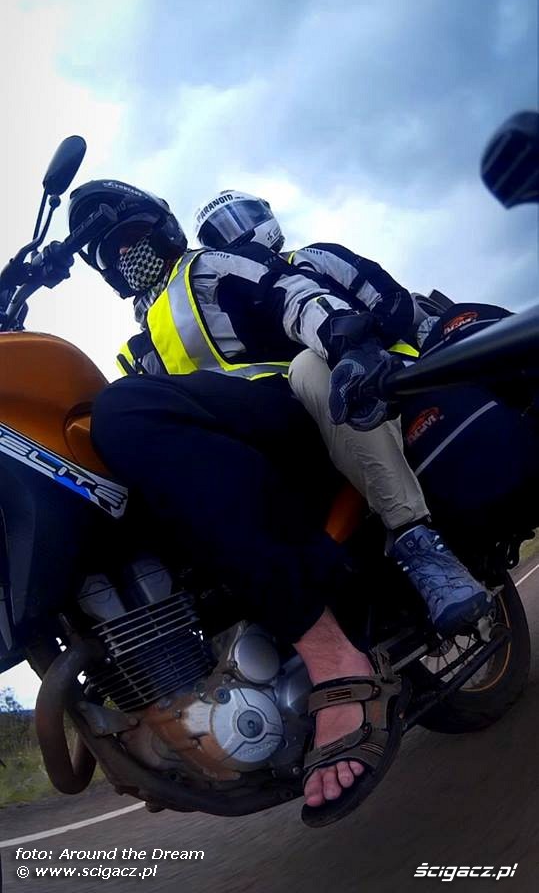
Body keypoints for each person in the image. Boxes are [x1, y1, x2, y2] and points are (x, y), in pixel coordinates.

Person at [70, 180, 486, 828]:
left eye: (131, 238)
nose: (127, 257)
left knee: (119, 411)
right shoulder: (133, 349)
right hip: (228, 462)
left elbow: (288, 293)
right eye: (110, 253)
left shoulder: (206, 268)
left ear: (163, 229)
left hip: (289, 416)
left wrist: (346, 340)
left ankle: (339, 654)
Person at [193, 190, 494, 626]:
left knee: (307, 364)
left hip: (385, 375)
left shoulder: (312, 258)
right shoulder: (233, 300)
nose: (233, 235)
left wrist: (359, 344)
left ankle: (417, 540)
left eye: (239, 219)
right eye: (218, 233)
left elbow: (392, 301)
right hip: (317, 415)